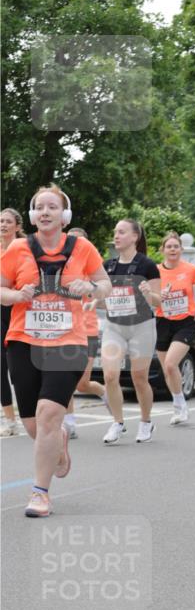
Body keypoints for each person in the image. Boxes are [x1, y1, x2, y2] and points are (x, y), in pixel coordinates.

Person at [0, 185, 111, 517]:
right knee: (35, 424)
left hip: (68, 342)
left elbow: (105, 285)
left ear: (64, 215)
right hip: (24, 340)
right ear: (33, 215)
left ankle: (40, 493)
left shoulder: (83, 248)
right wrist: (17, 297)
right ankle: (57, 444)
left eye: (52, 206)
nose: (46, 212)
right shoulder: (18, 248)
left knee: (49, 414)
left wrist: (90, 287)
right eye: (40, 207)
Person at [101, 219, 162, 444]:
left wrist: (148, 293)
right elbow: (103, 299)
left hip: (141, 327)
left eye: (122, 232)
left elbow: (158, 301)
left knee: (139, 378)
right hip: (114, 327)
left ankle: (146, 422)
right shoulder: (107, 266)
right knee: (109, 376)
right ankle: (118, 423)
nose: (116, 236)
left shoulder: (148, 266)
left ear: (134, 237)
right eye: (115, 232)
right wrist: (91, 300)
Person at [156, 232, 195, 425]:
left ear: (181, 249)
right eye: (169, 247)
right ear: (162, 250)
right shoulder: (155, 271)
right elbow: (149, 297)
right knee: (167, 370)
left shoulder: (190, 269)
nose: (172, 250)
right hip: (162, 321)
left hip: (185, 321)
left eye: (176, 247)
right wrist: (158, 294)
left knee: (171, 364)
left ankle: (180, 405)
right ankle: (179, 404)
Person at [62, 227, 107, 438]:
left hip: (87, 330)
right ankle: (69, 423)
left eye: (79, 241)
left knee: (82, 383)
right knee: (64, 376)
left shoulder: (93, 270)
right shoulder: (62, 269)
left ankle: (105, 393)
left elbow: (106, 295)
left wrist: (95, 296)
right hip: (65, 330)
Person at [1, 208, 25, 436]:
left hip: (22, 311)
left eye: (8, 221)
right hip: (1, 312)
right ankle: (10, 421)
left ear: (17, 226)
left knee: (22, 368)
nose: (3, 225)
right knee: (0, 368)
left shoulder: (25, 249)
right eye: (0, 221)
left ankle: (36, 412)